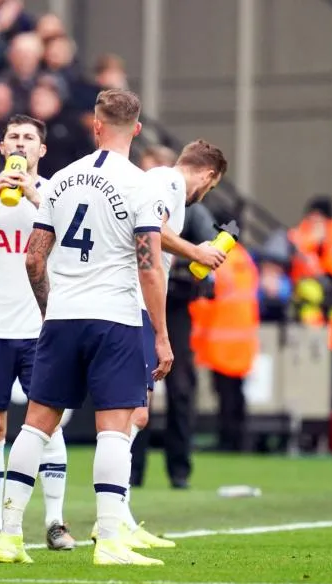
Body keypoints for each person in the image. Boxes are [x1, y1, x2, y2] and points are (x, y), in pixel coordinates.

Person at [0, 89, 172, 566]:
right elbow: (150, 266)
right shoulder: (141, 185)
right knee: (114, 428)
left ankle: (8, 538)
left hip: (62, 317)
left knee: (35, 426)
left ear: (95, 126)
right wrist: (161, 335)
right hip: (113, 318)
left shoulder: (61, 181)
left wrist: (51, 309)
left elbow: (34, 258)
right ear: (135, 129)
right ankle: (110, 539)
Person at [109, 139, 229, 550]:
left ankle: (118, 516)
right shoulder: (169, 184)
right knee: (128, 416)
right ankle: (110, 519)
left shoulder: (164, 184)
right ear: (208, 175)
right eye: (209, 189)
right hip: (132, 307)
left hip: (134, 306)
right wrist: (195, 249)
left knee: (134, 415)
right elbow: (153, 231)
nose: (204, 196)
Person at [0, 114, 75, 550]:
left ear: (41, 151)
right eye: (14, 137)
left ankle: (54, 522)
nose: (21, 143)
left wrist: (34, 196)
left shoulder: (55, 195)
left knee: (48, 427)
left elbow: (70, 245)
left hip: (41, 326)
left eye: (29, 138)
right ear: (2, 146)